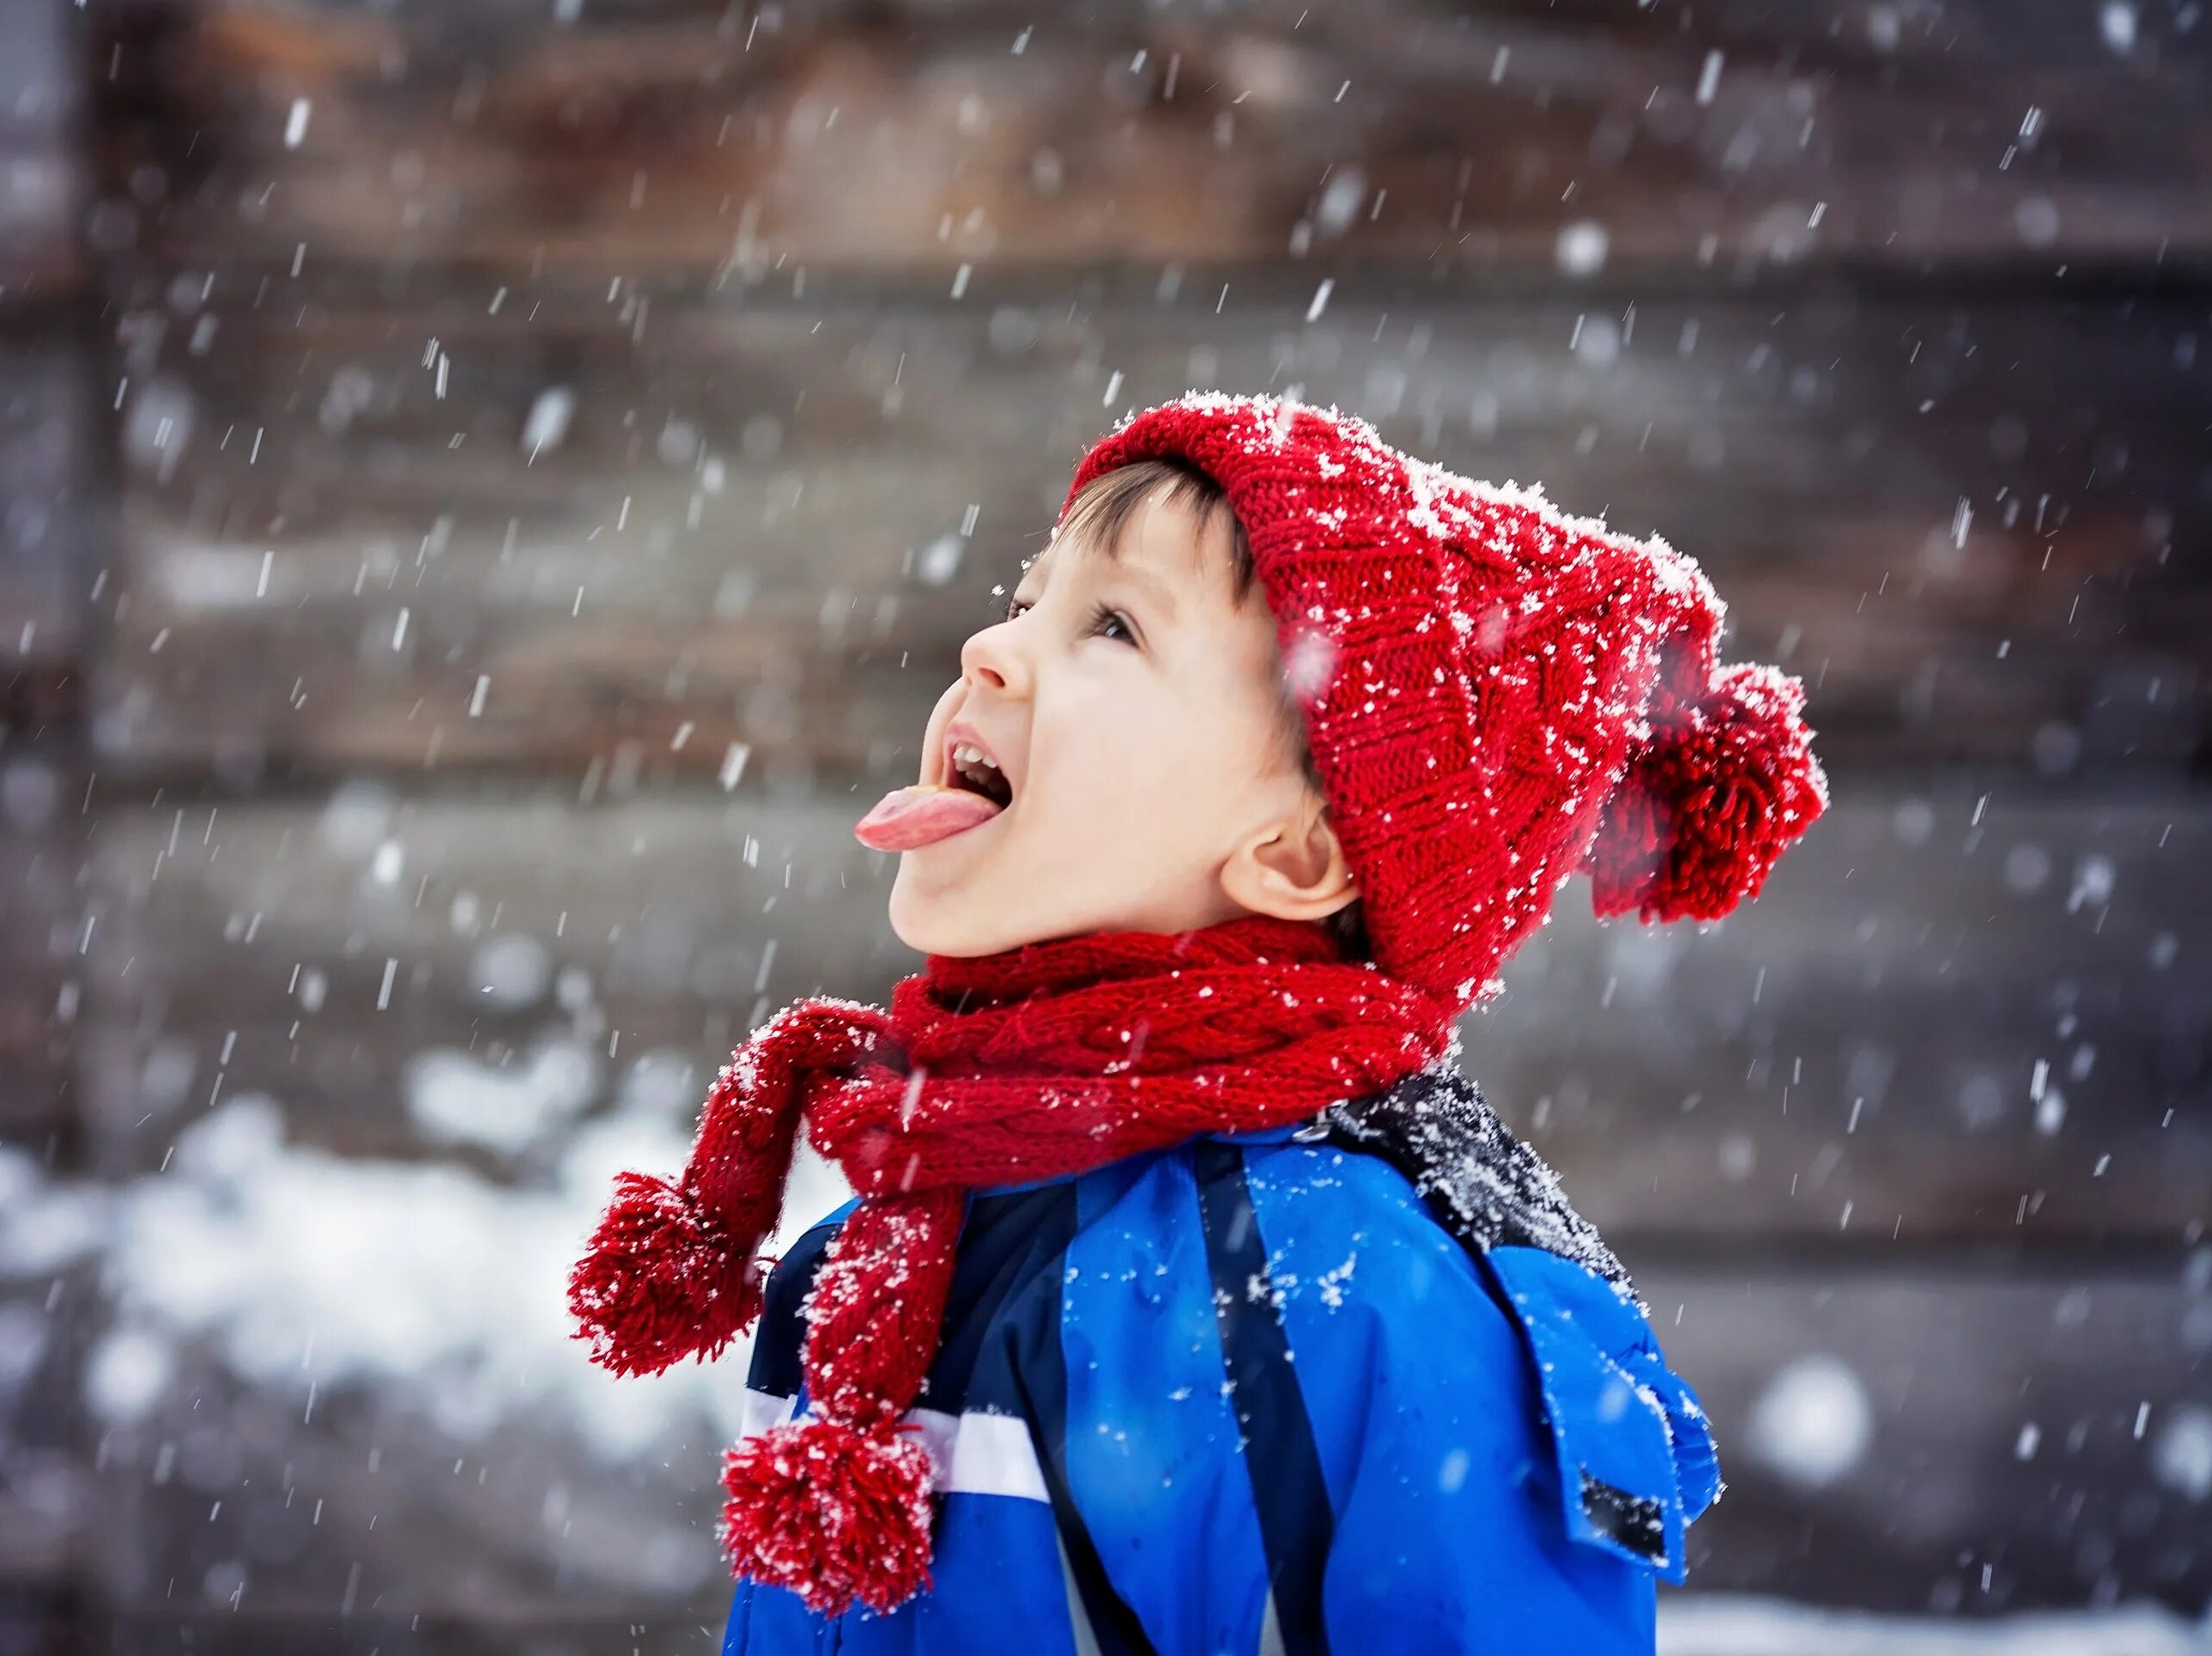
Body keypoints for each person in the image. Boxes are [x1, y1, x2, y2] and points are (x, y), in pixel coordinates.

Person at [568, 391, 1828, 1652]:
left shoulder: (1357, 1301)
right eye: (1026, 599)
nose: (989, 651)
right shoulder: (878, 1255)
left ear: (1294, 854)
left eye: (1109, 626)